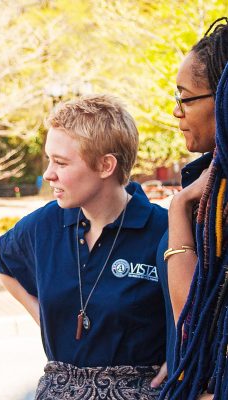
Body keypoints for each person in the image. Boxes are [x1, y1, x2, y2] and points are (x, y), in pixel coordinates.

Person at [0, 95, 168, 399]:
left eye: (60, 162)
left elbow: (202, 309)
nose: (48, 174)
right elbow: (3, 262)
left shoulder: (164, 231)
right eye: (50, 160)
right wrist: (43, 317)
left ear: (106, 165)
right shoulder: (44, 224)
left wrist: (181, 354)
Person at [157, 17, 228, 388]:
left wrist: (178, 206)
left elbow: (192, 314)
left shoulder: (204, 197)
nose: (176, 111)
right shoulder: (206, 179)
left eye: (185, 98)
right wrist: (176, 356)